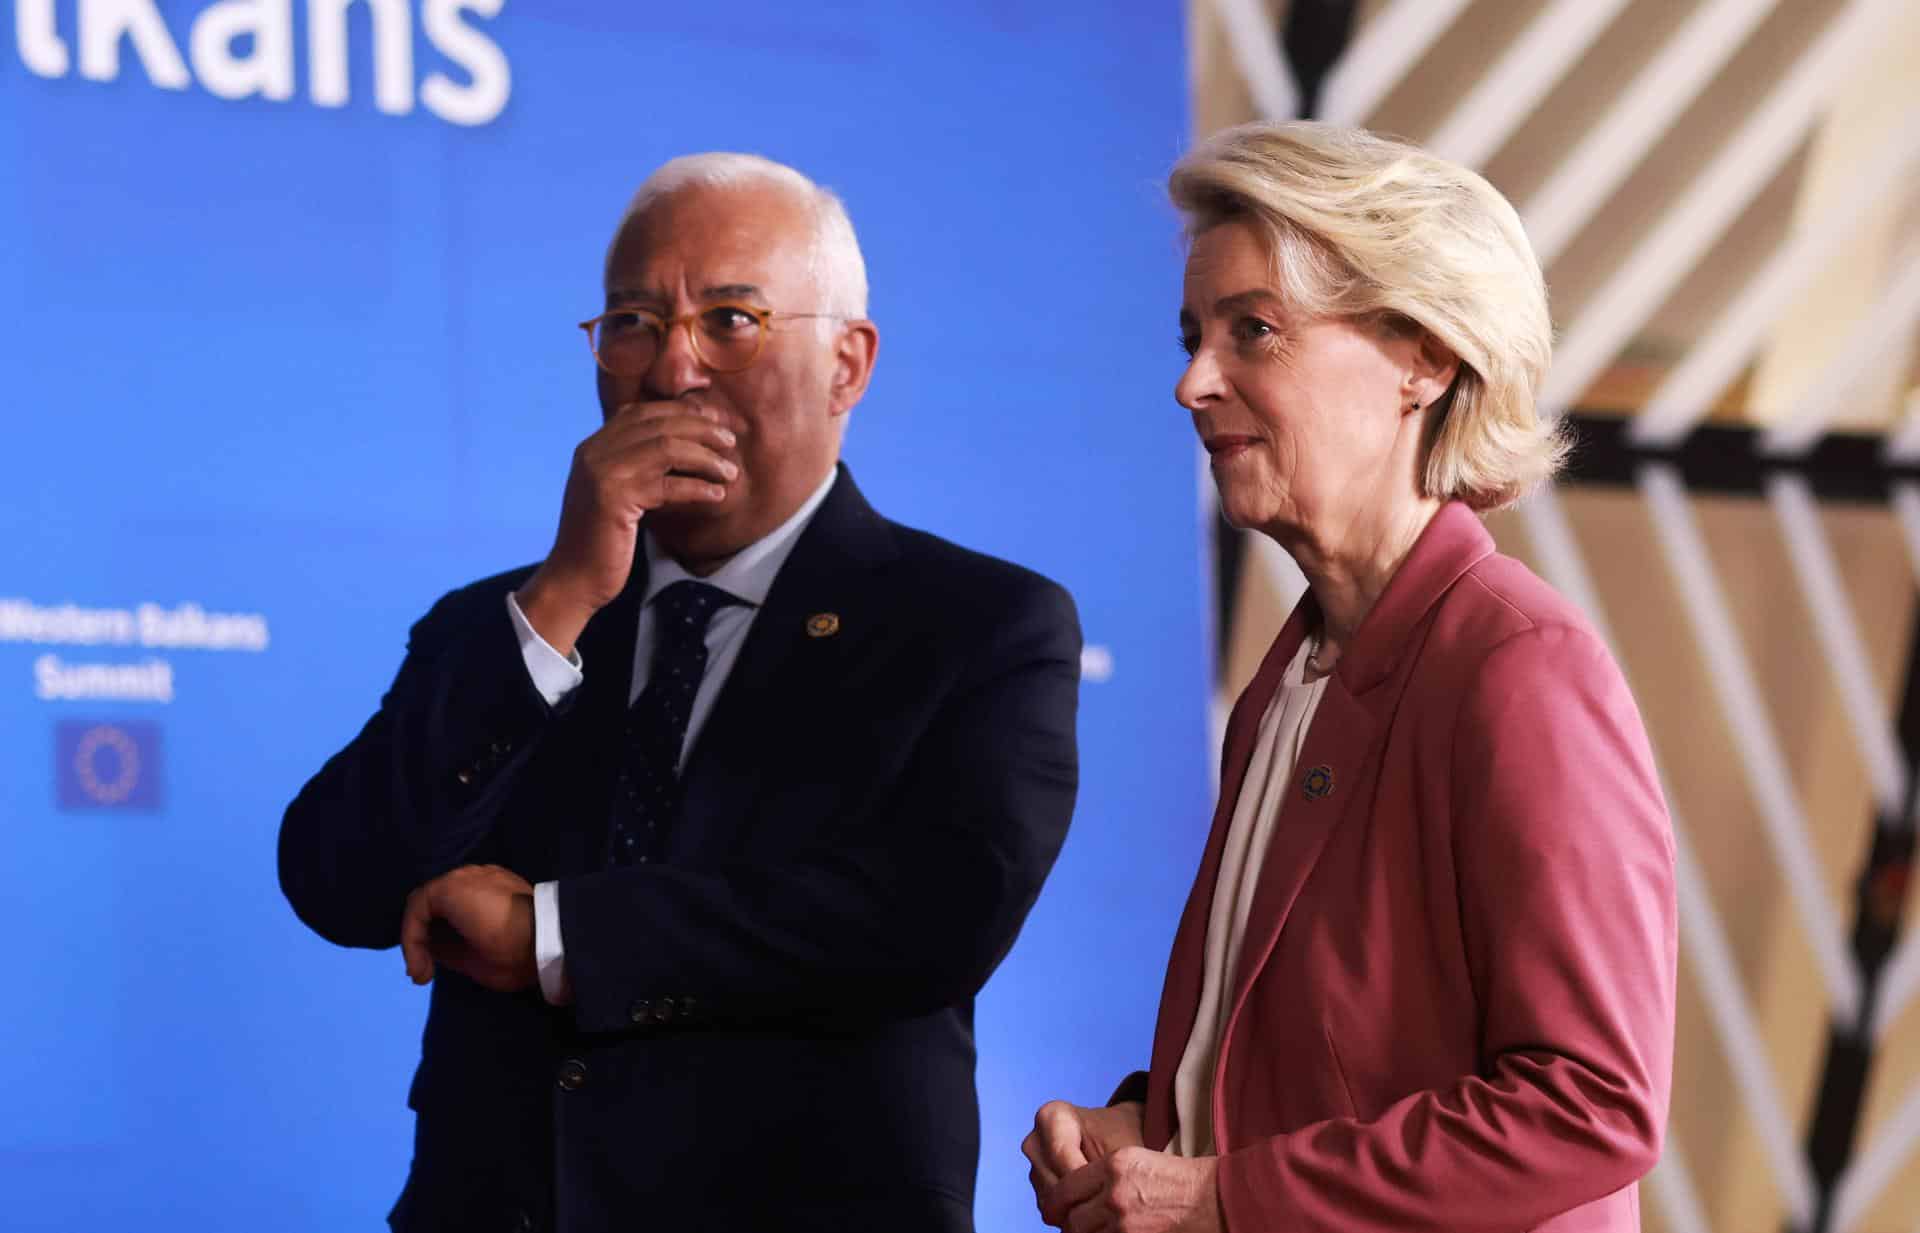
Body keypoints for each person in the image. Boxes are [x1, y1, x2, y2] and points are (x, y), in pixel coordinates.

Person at [279, 152, 1082, 1233]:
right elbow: (339, 878)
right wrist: (562, 595)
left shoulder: (977, 624)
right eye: (633, 325)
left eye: (731, 320)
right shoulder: (503, 622)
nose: (673, 372)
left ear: (848, 365)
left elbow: (934, 915)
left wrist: (558, 934)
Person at [1023, 121, 1676, 1232]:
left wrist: (1225, 1195)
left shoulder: (1520, 667)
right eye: (1193, 335)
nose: (1192, 382)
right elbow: (1323, 1057)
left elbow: (1593, 1105)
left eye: (1255, 332)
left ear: (1421, 355)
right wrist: (1159, 1131)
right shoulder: (1295, 675)